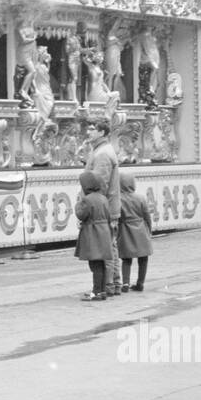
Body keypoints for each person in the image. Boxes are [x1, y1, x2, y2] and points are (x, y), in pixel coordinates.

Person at [83, 117, 124, 290]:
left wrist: (90, 207)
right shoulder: (102, 150)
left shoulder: (102, 154)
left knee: (104, 247)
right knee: (109, 245)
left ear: (102, 132)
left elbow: (99, 183)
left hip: (103, 209)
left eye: (92, 129)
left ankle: (108, 284)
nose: (89, 132)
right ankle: (113, 282)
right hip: (107, 207)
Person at [76, 170, 115, 301]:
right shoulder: (103, 198)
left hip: (92, 233)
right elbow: (109, 216)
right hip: (104, 232)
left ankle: (96, 292)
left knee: (95, 265)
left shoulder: (87, 200)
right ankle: (102, 290)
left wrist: (78, 203)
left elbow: (81, 214)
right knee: (101, 263)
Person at [117, 172, 153, 291]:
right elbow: (147, 215)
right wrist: (149, 228)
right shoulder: (140, 198)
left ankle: (125, 283)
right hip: (141, 230)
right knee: (143, 258)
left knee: (126, 258)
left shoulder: (119, 199)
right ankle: (140, 283)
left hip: (125, 229)